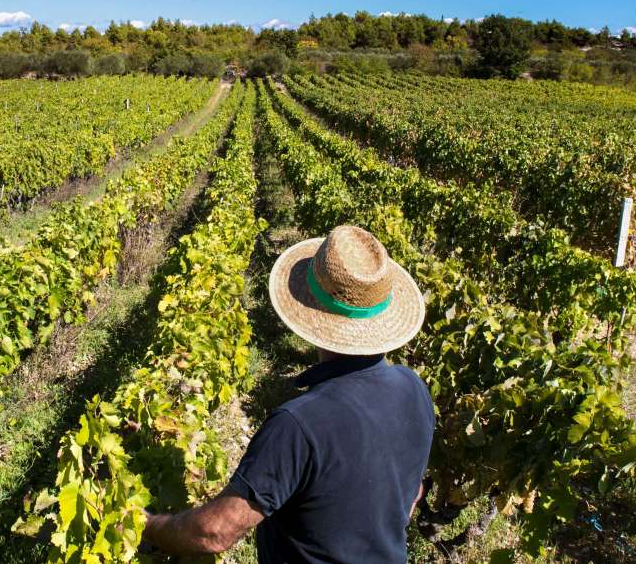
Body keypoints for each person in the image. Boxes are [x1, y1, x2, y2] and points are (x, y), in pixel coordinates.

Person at [142, 225, 435, 562]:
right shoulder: (415, 388)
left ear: (308, 307)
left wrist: (147, 525)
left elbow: (214, 532)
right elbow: (414, 492)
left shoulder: (298, 425)